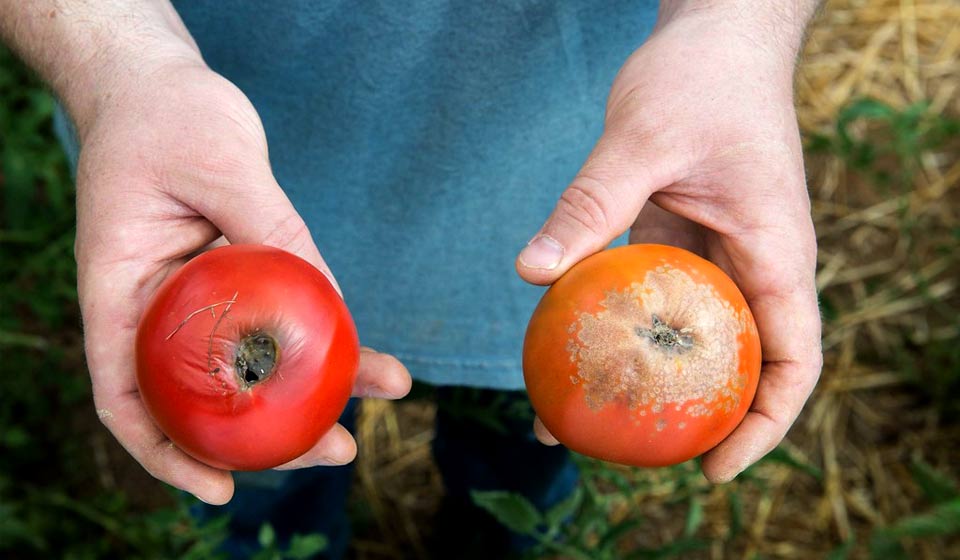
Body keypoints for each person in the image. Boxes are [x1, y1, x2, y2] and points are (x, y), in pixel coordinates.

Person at [0, 0, 824, 557]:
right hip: (196, 180)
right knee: (258, 483)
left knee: (516, 454)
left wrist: (733, 30)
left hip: (584, 239)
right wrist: (113, 60)